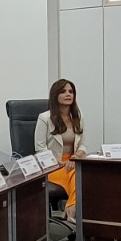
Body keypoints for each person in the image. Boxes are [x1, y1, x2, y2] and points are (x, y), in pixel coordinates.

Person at [35, 79, 87, 222]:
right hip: (53, 165)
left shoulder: (78, 117)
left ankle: (71, 209)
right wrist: (59, 162)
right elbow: (40, 149)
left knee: (81, 173)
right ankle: (73, 210)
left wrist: (75, 157)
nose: (68, 94)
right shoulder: (45, 118)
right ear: (55, 95)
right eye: (63, 91)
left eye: (71, 91)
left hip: (73, 161)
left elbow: (83, 146)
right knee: (77, 174)